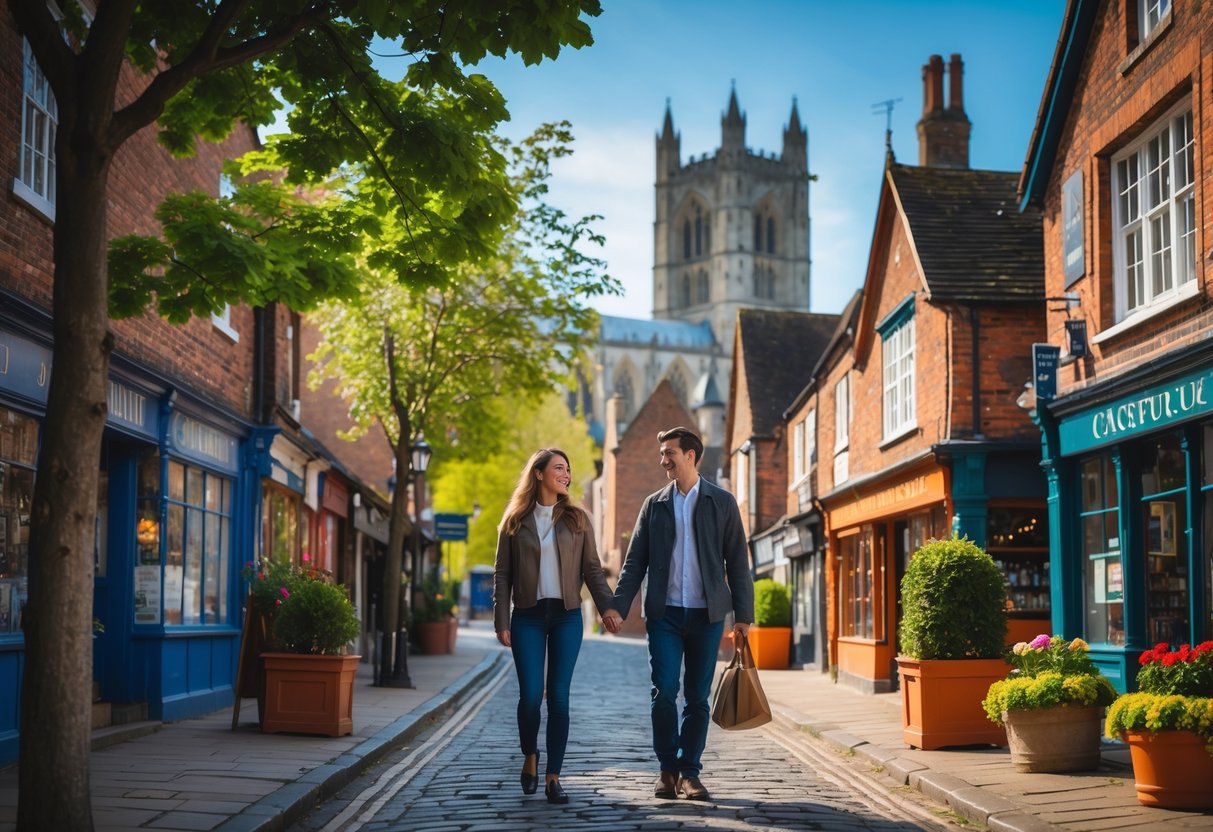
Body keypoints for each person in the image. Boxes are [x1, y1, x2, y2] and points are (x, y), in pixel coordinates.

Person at [602, 426, 753, 802]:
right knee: (664, 692)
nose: (663, 460)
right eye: (662, 453)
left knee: (698, 697)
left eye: (669, 452)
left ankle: (690, 772)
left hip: (707, 616)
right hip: (664, 615)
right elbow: (634, 563)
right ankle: (667, 769)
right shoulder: (654, 505)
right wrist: (618, 608)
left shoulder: (722, 502)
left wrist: (743, 618)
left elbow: (737, 563)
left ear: (691, 455)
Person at [493, 448, 614, 804]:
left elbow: (592, 570)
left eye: (568, 469)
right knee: (531, 697)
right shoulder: (514, 520)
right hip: (527, 616)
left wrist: (609, 608)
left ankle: (553, 777)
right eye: (559, 468)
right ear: (540, 474)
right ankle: (530, 754)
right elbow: (502, 574)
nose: (566, 474)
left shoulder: (578, 519)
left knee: (558, 698)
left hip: (566, 616)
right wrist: (502, 619)